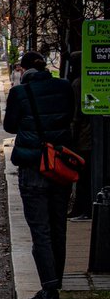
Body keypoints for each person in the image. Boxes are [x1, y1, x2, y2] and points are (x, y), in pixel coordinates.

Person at [4, 50, 76, 299]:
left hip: (33, 166)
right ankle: (56, 284)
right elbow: (70, 117)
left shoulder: (20, 93)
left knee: (40, 230)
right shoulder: (64, 87)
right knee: (59, 226)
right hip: (59, 166)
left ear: (23, 70)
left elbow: (10, 126)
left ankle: (49, 289)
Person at [68, 50, 93, 221]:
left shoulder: (78, 84)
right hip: (92, 136)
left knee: (82, 177)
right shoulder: (90, 81)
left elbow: (76, 115)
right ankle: (81, 208)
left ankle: (83, 208)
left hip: (84, 138)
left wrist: (72, 137)